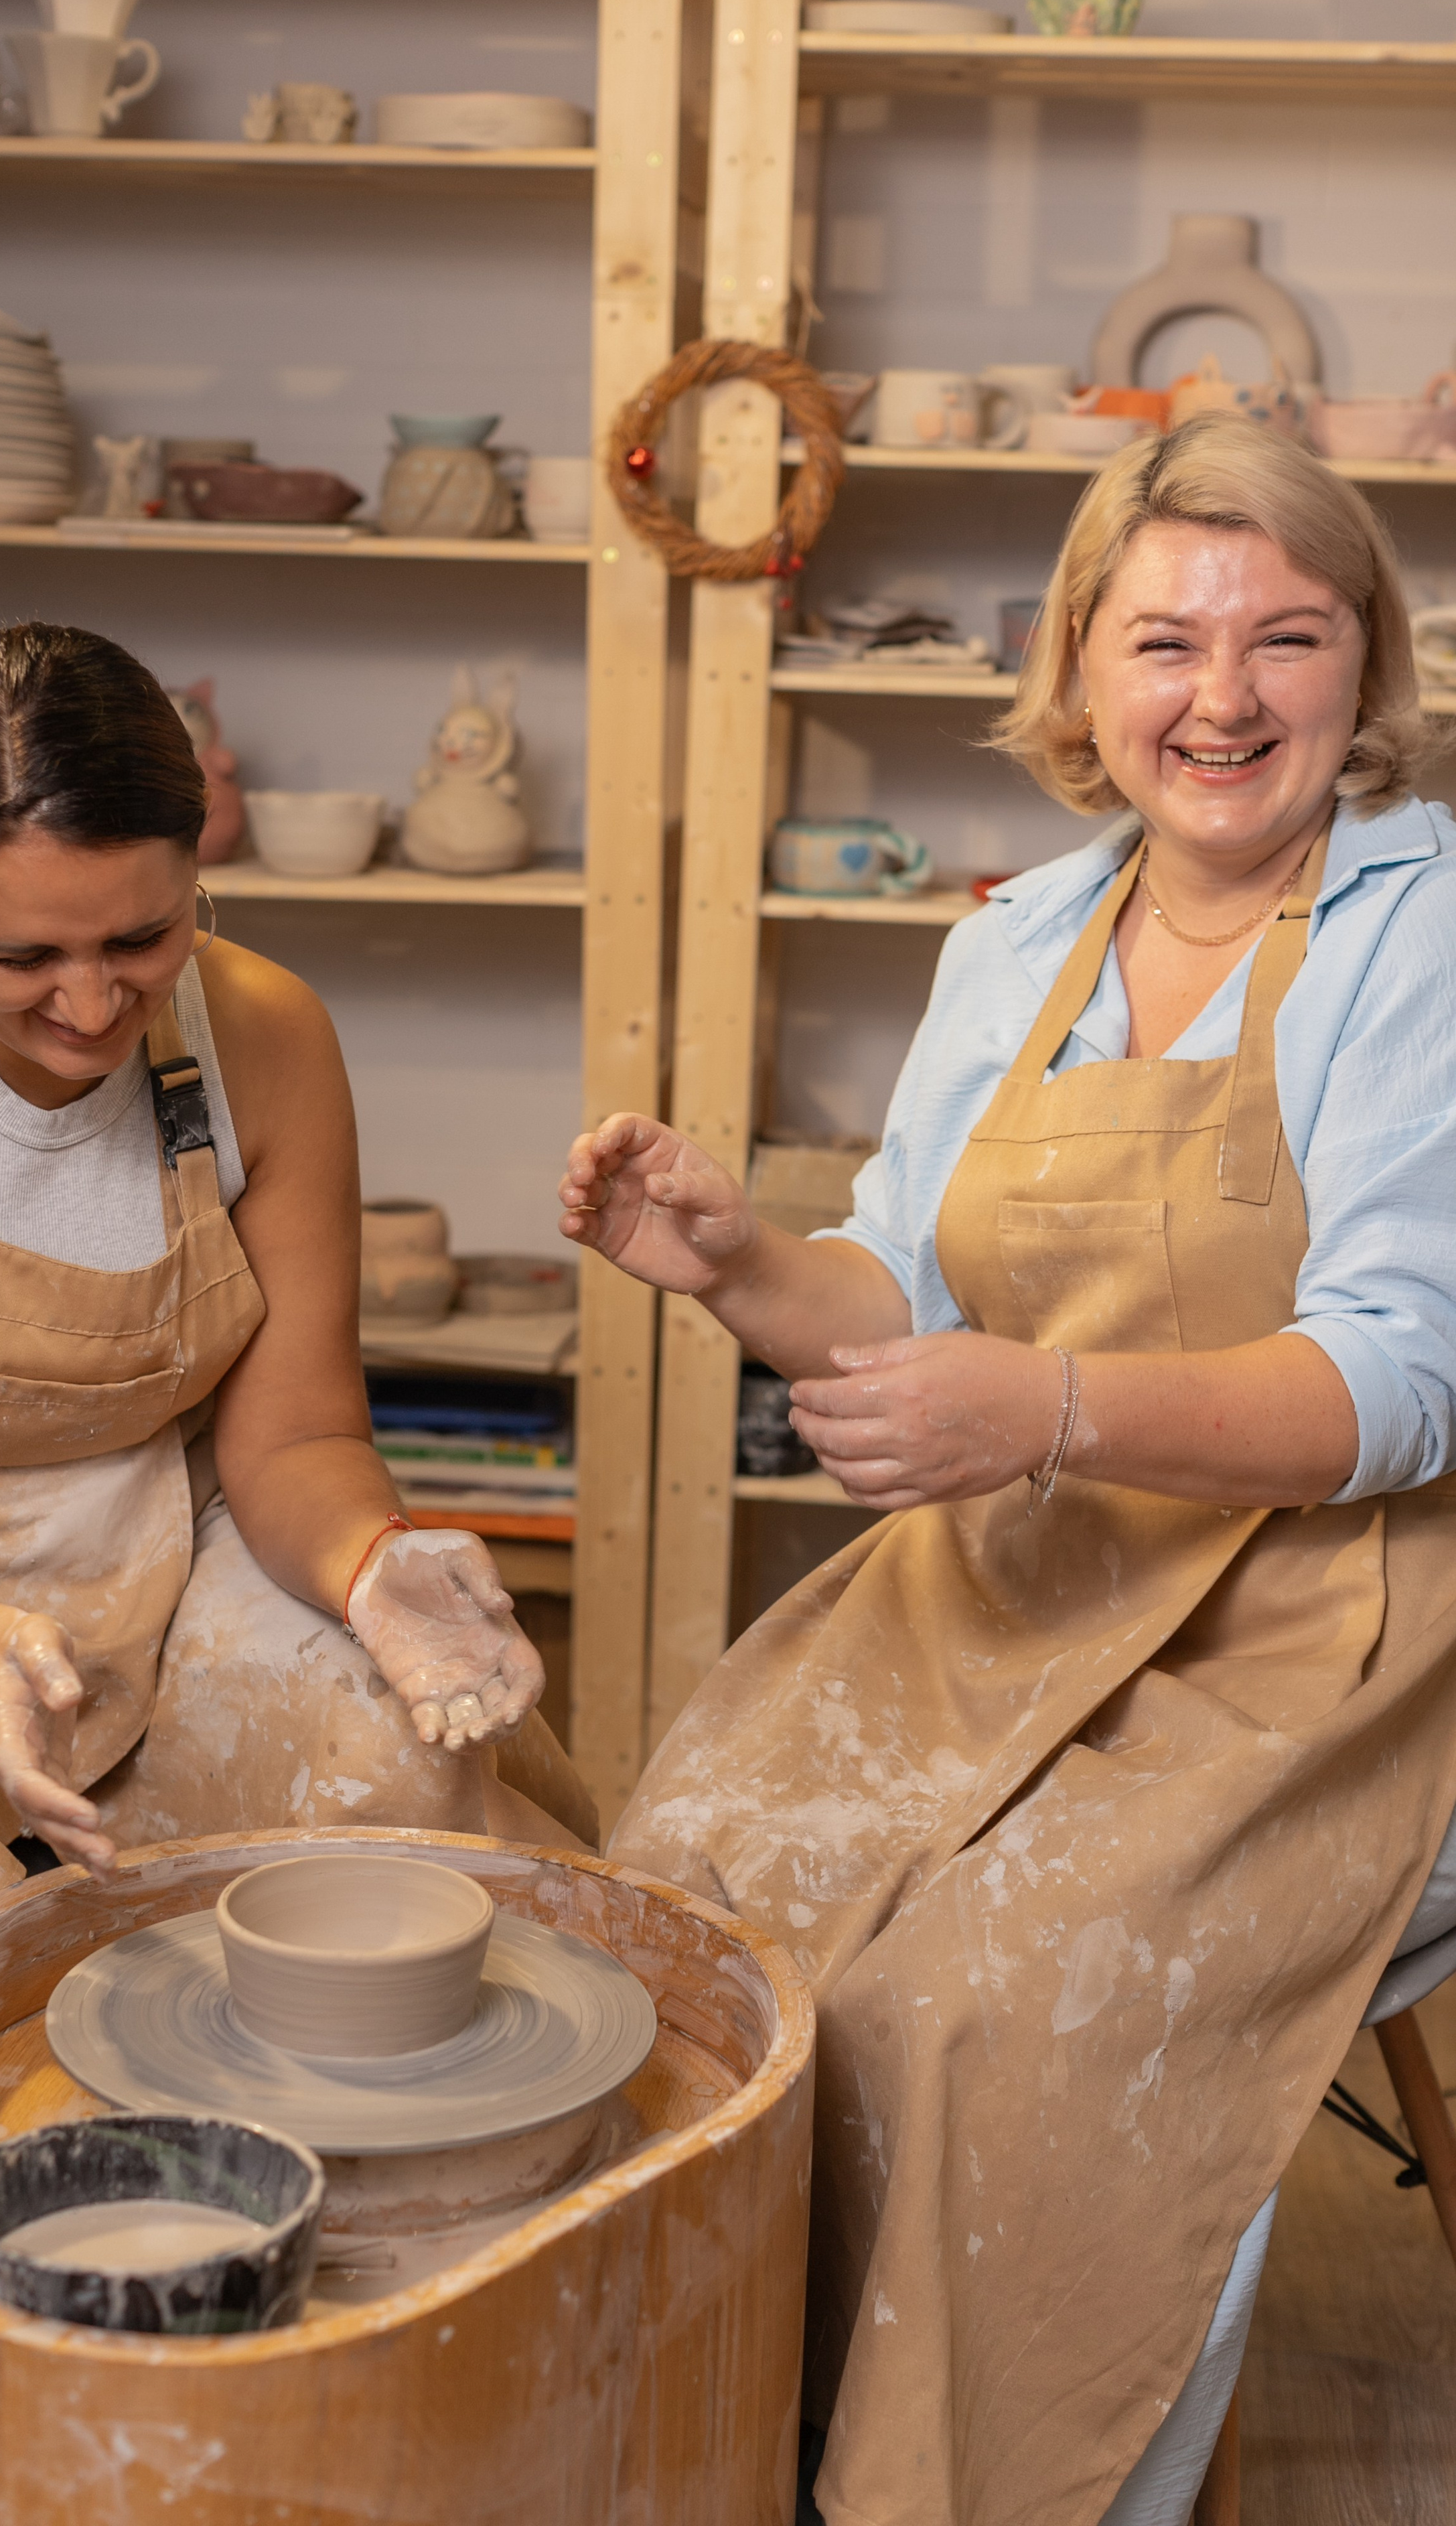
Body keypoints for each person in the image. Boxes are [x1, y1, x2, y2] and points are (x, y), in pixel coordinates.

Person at [559, 413, 1456, 2526]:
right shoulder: (1018, 934)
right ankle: (711, 2465)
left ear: (1367, 664)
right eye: (1163, 642)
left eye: (1286, 640)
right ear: (1078, 670)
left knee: (999, 2006)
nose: (1221, 699)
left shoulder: (1422, 930)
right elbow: (899, 1293)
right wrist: (743, 1260)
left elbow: (1403, 1384)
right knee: (706, 1894)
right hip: (1025, 1587)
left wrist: (1037, 1409)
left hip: (1332, 1627)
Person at [0, 622, 593, 2472]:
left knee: (383, 1743)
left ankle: (374, 2318)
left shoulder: (263, 1034)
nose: (90, 1003)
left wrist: (374, 1565)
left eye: (141, 939)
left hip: (153, 1535)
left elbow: (288, 1436)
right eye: (22, 955)